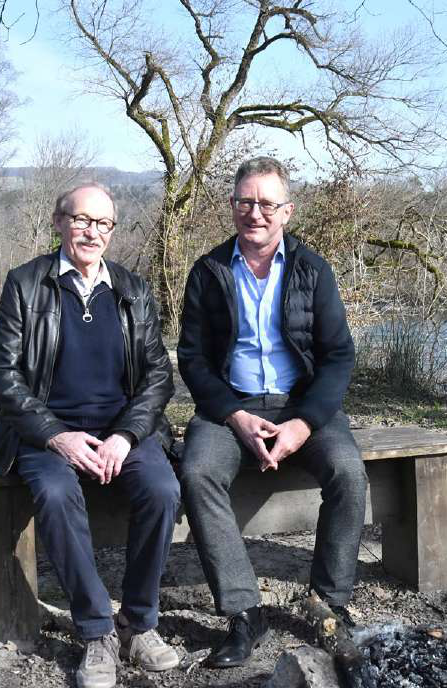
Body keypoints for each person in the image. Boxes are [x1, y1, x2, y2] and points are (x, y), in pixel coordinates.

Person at [0, 184, 181, 688]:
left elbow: (159, 375)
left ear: (113, 231)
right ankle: (96, 632)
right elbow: (1, 374)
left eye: (103, 223)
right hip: (46, 433)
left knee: (164, 490)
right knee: (53, 491)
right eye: (81, 220)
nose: (92, 232)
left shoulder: (132, 289)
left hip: (122, 432)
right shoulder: (26, 284)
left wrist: (127, 437)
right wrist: (56, 435)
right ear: (59, 221)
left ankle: (137, 622)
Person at [177, 156, 367, 668]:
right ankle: (243, 613)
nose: (254, 212)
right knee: (196, 473)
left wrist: (303, 424)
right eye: (244, 201)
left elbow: (338, 356)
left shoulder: (312, 269)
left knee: (348, 471)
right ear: (232, 207)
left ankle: (329, 603)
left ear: (287, 210)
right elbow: (192, 357)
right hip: (229, 407)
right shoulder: (209, 271)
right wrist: (234, 416)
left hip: (301, 405)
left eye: (266, 203)